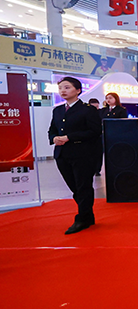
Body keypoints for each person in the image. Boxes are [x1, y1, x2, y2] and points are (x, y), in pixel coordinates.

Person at [48, 77, 102, 234]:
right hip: (62, 154)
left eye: (67, 87)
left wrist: (69, 137)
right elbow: (52, 129)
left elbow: (95, 131)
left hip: (83, 154)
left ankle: (82, 218)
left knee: (83, 186)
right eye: (60, 88)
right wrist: (54, 138)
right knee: (74, 187)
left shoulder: (87, 110)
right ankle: (88, 215)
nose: (63, 91)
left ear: (78, 90)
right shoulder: (58, 110)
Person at [96, 92, 128, 175]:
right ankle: (97, 169)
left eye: (110, 98)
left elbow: (123, 123)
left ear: (115, 99)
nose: (108, 100)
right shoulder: (103, 111)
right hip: (103, 134)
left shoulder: (121, 110)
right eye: (107, 98)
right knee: (99, 152)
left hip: (115, 135)